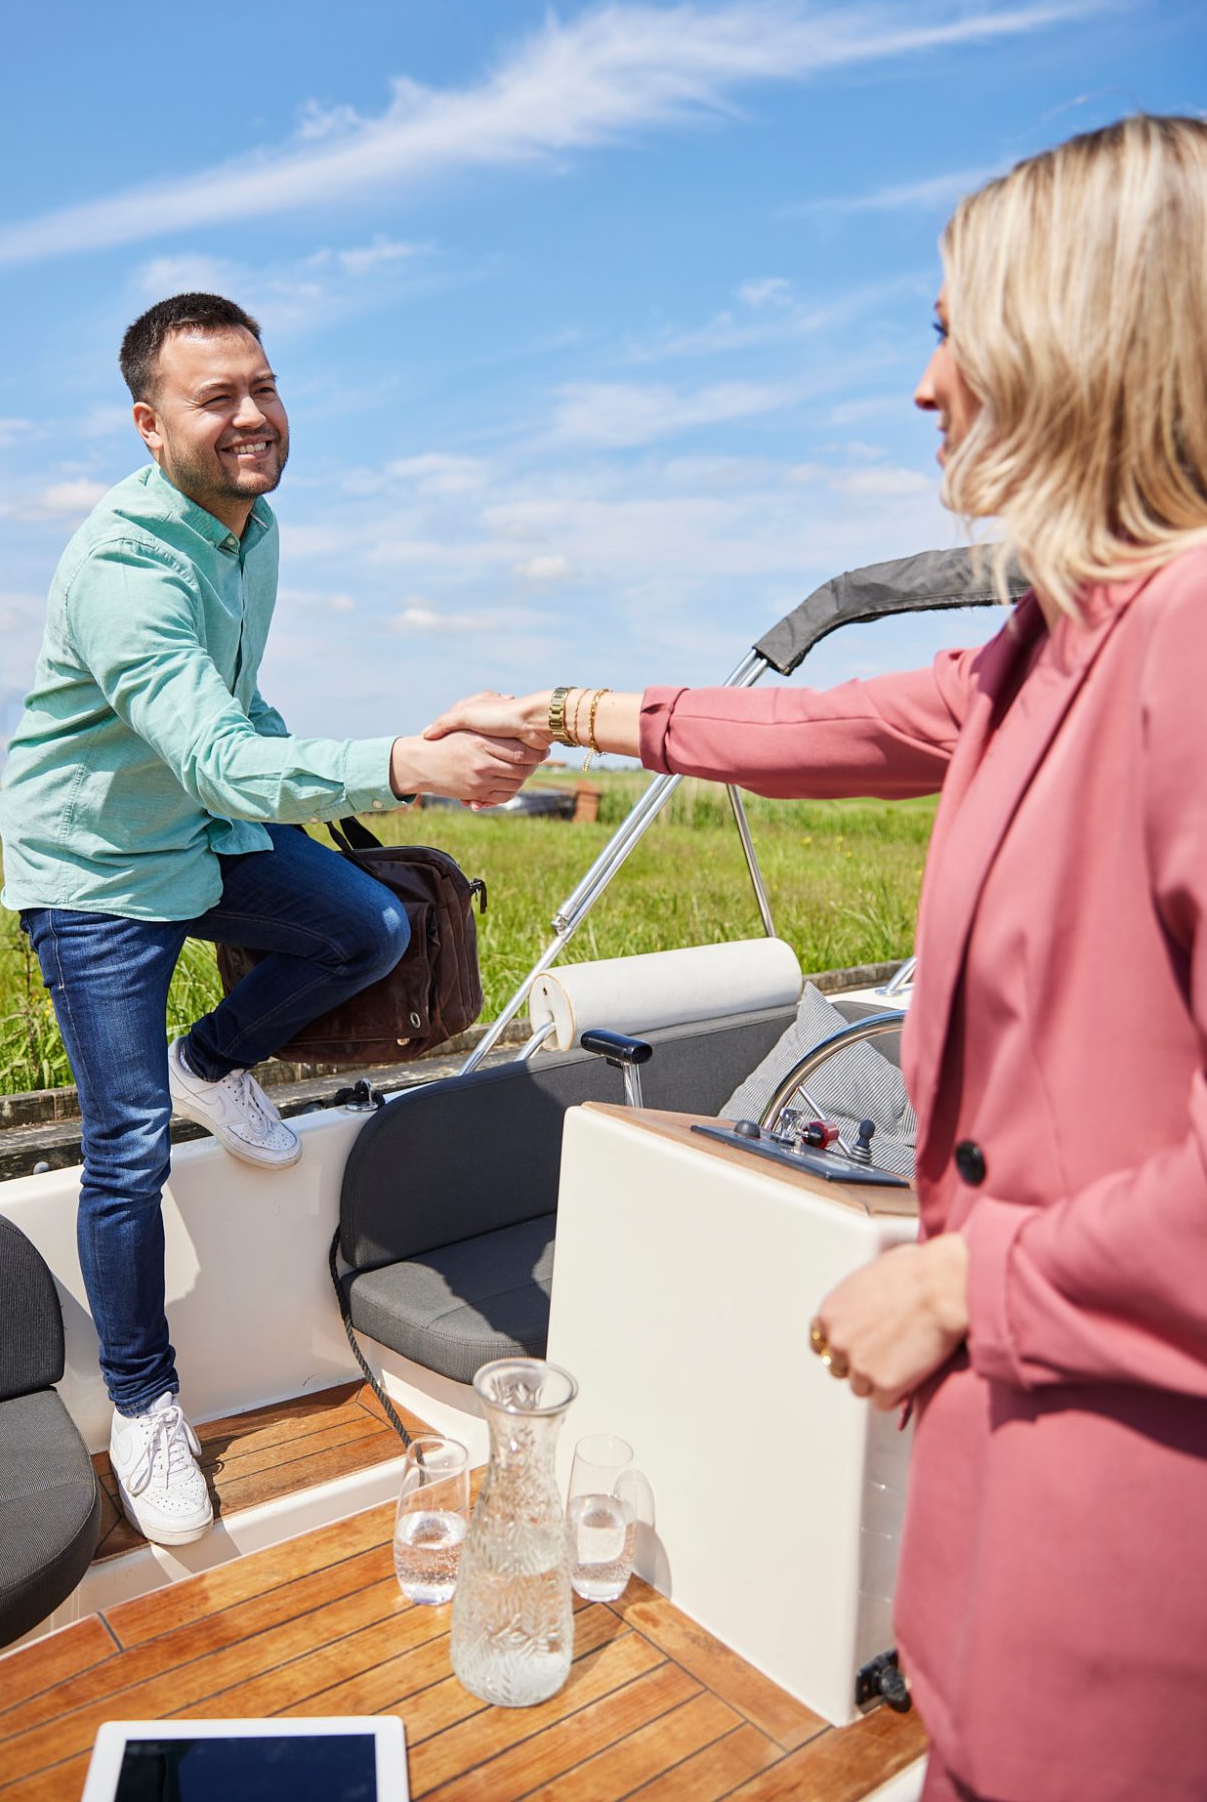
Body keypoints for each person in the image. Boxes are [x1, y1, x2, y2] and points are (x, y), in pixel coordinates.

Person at [427, 117, 1207, 1800]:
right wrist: (561, 711)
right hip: (1019, 1496)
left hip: (1147, 1546)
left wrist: (958, 1280)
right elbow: (827, 720)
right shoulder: (1051, 645)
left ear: (1073, 335)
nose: (923, 386)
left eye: (946, 329)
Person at [0, 293, 544, 1547]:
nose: (252, 415)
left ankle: (216, 1057)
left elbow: (232, 702)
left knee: (371, 926)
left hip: (201, 832)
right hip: (94, 867)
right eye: (215, 397)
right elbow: (211, 755)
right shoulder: (124, 567)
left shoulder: (255, 529)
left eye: (264, 385)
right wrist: (405, 760)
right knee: (125, 1144)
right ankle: (143, 1404)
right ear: (148, 424)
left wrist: (364, 758)